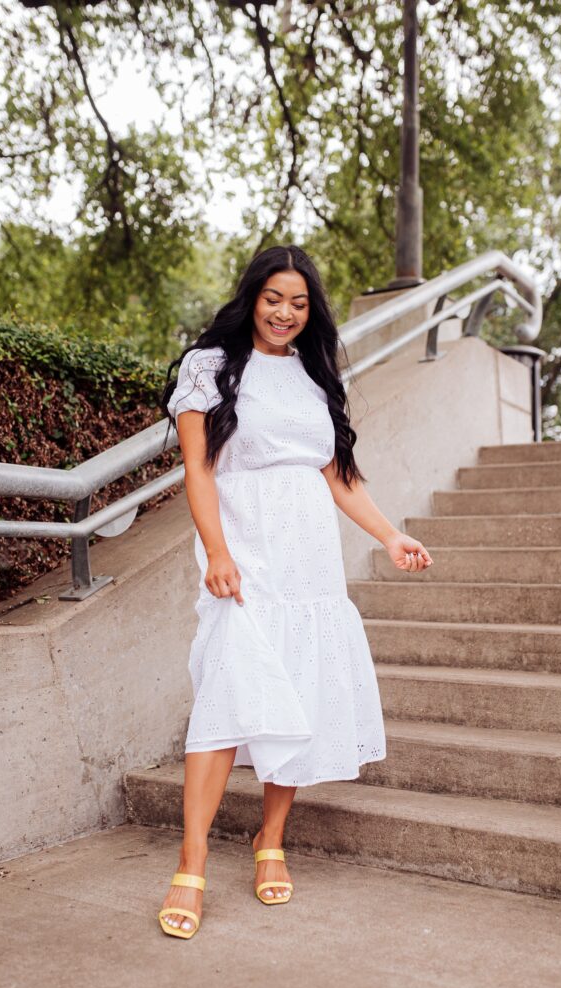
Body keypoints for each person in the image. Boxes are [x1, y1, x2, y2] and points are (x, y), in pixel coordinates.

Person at [157, 244, 433, 939]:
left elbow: (339, 475)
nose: (284, 312)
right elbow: (197, 469)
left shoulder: (315, 377)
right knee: (223, 697)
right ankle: (190, 862)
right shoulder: (208, 368)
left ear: (311, 312)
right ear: (252, 296)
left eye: (299, 303)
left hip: (309, 561)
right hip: (244, 555)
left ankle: (270, 839)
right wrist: (217, 552)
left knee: (301, 692)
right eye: (274, 297)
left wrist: (390, 536)